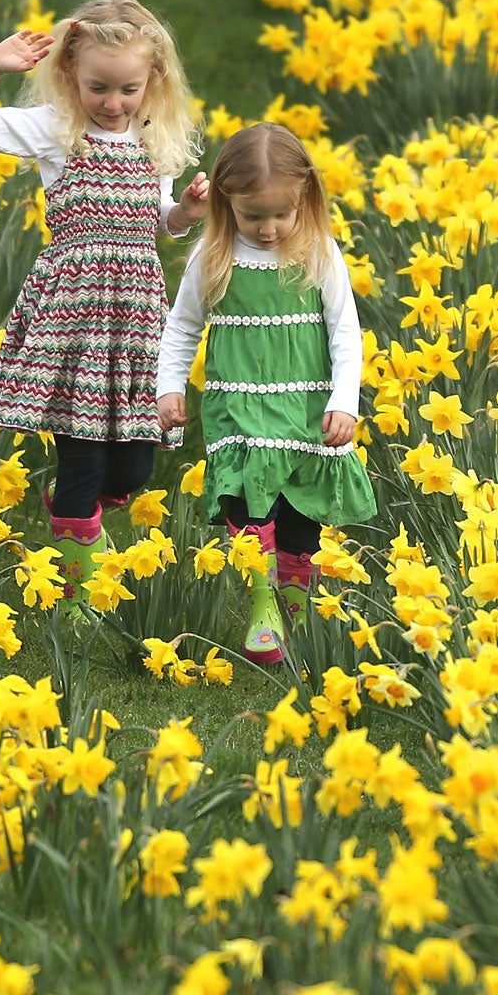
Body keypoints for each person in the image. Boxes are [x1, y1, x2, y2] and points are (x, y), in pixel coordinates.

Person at [0, 0, 208, 605]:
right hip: (75, 312)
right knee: (82, 459)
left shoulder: (152, 139)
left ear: (153, 82)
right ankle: (77, 594)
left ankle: (76, 513)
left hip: (137, 313)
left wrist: (188, 213)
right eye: (99, 89)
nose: (113, 103)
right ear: (71, 76)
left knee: (132, 470)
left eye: (128, 90)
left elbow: (160, 220)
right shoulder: (58, 129)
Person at [155, 121, 377, 664]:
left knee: (299, 513)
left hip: (305, 406)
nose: (271, 228)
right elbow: (182, 327)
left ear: (306, 200)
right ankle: (262, 606)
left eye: (283, 214)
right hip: (238, 404)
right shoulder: (214, 255)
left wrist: (343, 401)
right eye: (254, 216)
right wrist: (169, 387)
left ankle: (292, 609)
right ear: (227, 204)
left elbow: (344, 332)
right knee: (246, 503)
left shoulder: (319, 253)